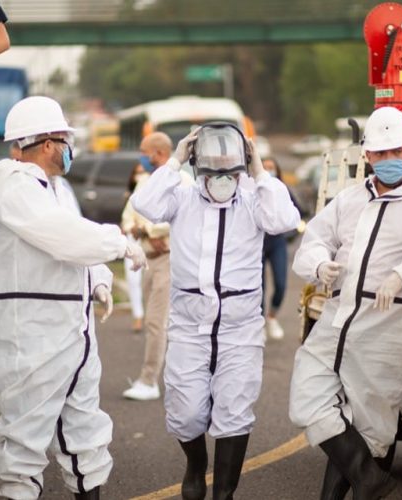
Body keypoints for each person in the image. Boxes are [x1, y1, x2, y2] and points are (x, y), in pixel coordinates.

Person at [288, 107, 402, 499]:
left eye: (395, 152)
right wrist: (320, 265)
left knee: (372, 428)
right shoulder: (351, 200)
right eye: (379, 154)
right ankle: (371, 481)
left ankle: (363, 483)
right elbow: (314, 238)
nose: (387, 161)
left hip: (387, 323)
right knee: (307, 400)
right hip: (338, 316)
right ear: (367, 155)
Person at [0, 96, 147, 500]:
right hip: (33, 336)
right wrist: (119, 243)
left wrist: (97, 279)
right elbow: (61, 236)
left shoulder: (55, 188)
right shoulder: (12, 184)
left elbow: (74, 232)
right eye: (64, 139)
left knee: (83, 431)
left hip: (71, 334)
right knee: (24, 439)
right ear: (45, 144)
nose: (69, 148)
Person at [131, 124, 299, 499]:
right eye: (213, 169)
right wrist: (174, 161)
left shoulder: (255, 197)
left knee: (234, 407)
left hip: (239, 326)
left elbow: (285, 220)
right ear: (197, 166)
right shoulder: (182, 198)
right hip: (190, 323)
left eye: (231, 169)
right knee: (185, 412)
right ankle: (195, 463)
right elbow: (145, 204)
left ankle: (224, 492)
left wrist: (259, 171)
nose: (222, 178)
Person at [120, 132, 194, 401]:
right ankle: (177, 378)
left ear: (158, 153)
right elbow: (129, 217)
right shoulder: (147, 182)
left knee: (156, 322)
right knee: (165, 323)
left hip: (170, 260)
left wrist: (149, 229)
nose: (141, 157)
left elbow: (183, 217)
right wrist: (143, 230)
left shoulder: (182, 181)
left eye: (144, 151)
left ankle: (149, 380)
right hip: (149, 260)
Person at [260, 157, 302, 341]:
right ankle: (259, 323)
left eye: (272, 168)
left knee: (281, 284)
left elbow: (299, 213)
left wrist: (289, 235)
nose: (269, 171)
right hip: (258, 244)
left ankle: (272, 317)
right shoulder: (255, 190)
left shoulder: (283, 190)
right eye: (265, 168)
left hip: (277, 242)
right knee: (258, 287)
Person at [123, 163, 148, 334]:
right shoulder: (129, 197)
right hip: (133, 239)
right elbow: (125, 221)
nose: (139, 176)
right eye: (136, 173)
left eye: (142, 173)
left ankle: (152, 315)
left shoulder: (152, 193)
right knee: (133, 280)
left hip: (150, 239)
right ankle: (138, 316)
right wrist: (132, 227)